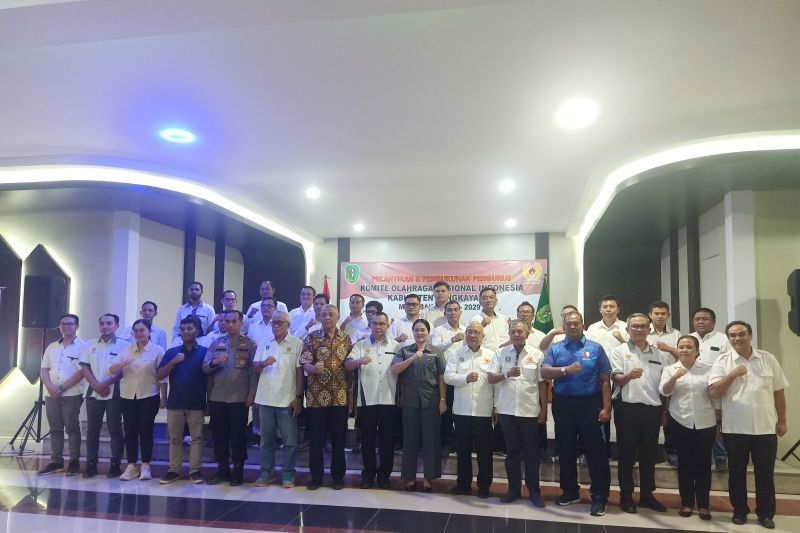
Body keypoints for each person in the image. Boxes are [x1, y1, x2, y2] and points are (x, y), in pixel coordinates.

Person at [709, 321, 789, 530]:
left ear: (750, 335)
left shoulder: (768, 359)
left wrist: (782, 420)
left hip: (765, 427)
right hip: (735, 428)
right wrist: (732, 374)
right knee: (736, 473)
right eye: (733, 335)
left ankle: (765, 513)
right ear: (729, 338)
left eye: (742, 334)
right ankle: (739, 511)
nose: (737, 338)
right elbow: (714, 392)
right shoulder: (722, 361)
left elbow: (779, 392)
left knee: (765, 474)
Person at [541, 311, 612, 517]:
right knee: (565, 449)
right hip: (563, 404)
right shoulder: (555, 348)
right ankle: (570, 491)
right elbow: (544, 372)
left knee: (596, 451)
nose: (573, 326)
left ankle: (599, 496)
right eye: (569, 324)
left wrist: (607, 407)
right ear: (563, 326)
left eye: (576, 323)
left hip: (590, 404)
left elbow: (605, 380)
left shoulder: (595, 348)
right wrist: (565, 370)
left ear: (583, 325)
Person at [609, 313, 671, 514]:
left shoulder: (660, 355)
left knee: (649, 454)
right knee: (626, 454)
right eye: (634, 326)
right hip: (627, 409)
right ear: (627, 329)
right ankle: (626, 496)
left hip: (652, 410)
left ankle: (647, 495)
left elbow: (664, 387)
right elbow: (617, 379)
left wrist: (664, 410)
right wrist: (629, 376)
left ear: (649, 329)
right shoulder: (619, 351)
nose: (638, 329)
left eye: (643, 326)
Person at [487, 319, 547, 507]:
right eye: (513, 332)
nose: (516, 334)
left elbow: (542, 385)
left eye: (520, 331)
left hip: (529, 411)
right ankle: (513, 489)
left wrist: (544, 410)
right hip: (506, 410)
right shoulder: (500, 353)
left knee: (531, 453)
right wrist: (507, 374)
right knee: (511, 452)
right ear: (509, 334)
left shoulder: (537, 354)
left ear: (527, 333)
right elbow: (490, 378)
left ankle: (534, 491)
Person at [659, 335, 718, 522]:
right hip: (680, 421)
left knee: (703, 465)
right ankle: (686, 502)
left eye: (689, 347)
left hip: (706, 422)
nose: (684, 350)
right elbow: (664, 391)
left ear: (697, 351)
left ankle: (703, 504)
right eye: (681, 347)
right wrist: (675, 377)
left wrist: (720, 421)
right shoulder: (670, 369)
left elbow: (716, 396)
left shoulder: (709, 369)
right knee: (684, 464)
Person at [300, 304, 353, 490]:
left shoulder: (346, 338)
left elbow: (350, 367)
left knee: (339, 440)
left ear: (338, 317)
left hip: (340, 397)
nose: (327, 317)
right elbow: (304, 362)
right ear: (319, 317)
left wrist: (351, 395)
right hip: (316, 398)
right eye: (324, 314)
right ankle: (316, 477)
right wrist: (313, 368)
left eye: (331, 314)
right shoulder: (312, 337)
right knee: (316, 440)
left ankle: (338, 477)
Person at [203, 310, 258, 486]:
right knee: (219, 435)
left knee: (238, 435)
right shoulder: (216, 343)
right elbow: (205, 367)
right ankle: (222, 469)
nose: (230, 325)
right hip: (218, 396)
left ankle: (238, 469)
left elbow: (254, 372)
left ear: (241, 323)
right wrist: (215, 362)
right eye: (227, 321)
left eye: (234, 321)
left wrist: (252, 393)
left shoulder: (249, 344)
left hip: (239, 397)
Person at [345, 311, 399, 489]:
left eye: (382, 324)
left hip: (389, 400)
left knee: (387, 441)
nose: (378, 327)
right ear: (370, 325)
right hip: (367, 401)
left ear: (388, 325)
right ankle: (368, 474)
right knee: (367, 440)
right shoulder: (361, 345)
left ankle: (384, 476)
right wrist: (359, 361)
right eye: (375, 323)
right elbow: (348, 365)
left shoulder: (396, 346)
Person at [391, 319, 446, 492]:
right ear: (412, 332)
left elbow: (441, 377)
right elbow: (395, 369)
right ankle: (410, 477)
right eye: (416, 330)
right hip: (410, 401)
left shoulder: (436, 352)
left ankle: (429, 477)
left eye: (423, 330)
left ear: (428, 332)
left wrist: (443, 400)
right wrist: (414, 357)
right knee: (410, 440)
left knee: (431, 440)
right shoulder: (405, 350)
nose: (419, 333)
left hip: (431, 401)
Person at [252, 310, 304, 488]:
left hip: (287, 400)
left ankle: (288, 475)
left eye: (280, 322)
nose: (276, 325)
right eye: (274, 322)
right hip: (265, 399)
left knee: (289, 442)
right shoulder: (264, 342)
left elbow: (299, 372)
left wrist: (298, 397)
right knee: (266, 441)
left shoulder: (297, 344)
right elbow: (254, 366)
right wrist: (263, 363)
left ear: (288, 325)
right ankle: (266, 474)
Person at [111, 319, 167, 481]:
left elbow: (162, 376)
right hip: (128, 396)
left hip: (149, 395)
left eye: (142, 330)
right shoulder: (127, 350)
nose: (139, 333)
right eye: (136, 331)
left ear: (149, 332)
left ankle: (146, 465)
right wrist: (123, 363)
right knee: (130, 431)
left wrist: (164, 396)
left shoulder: (157, 350)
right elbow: (111, 370)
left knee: (146, 430)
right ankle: (131, 466)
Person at [444, 322, 495, 498]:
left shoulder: (491, 355)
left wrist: (496, 406)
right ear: (465, 334)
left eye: (476, 332)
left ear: (483, 336)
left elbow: (496, 383)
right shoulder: (456, 354)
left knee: (484, 451)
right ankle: (463, 484)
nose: (472, 335)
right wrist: (464, 378)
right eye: (469, 332)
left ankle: (484, 486)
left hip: (484, 410)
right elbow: (448, 377)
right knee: (463, 450)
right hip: (462, 410)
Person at [157, 317, 208, 484]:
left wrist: (210, 401)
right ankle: (174, 470)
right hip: (175, 402)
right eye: (183, 329)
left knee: (197, 438)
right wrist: (173, 362)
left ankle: (195, 470)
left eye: (189, 328)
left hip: (197, 402)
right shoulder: (172, 352)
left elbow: (210, 377)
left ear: (197, 331)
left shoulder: (205, 352)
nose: (186, 332)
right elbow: (160, 375)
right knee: (175, 438)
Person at [79, 313, 128, 478]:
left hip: (115, 392)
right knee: (92, 429)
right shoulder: (89, 344)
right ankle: (91, 464)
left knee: (115, 429)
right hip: (93, 392)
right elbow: (84, 367)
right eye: (102, 323)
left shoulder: (125, 345)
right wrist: (96, 385)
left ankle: (115, 464)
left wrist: (106, 384)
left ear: (116, 325)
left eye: (109, 323)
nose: (105, 326)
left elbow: (124, 370)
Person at [38, 314, 86, 476]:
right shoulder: (52, 347)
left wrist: (61, 388)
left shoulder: (83, 347)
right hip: (51, 394)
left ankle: (74, 462)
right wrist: (50, 387)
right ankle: (56, 461)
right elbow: (44, 370)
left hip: (72, 393)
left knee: (72, 428)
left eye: (70, 324)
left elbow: (82, 372)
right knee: (55, 428)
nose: (66, 326)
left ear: (77, 326)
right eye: (63, 324)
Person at [691, 307, 731, 472]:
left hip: (717, 387)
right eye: (697, 319)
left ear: (714, 322)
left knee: (718, 420)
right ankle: (700, 456)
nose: (700, 322)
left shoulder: (724, 340)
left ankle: (720, 456)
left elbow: (730, 363)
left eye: (705, 319)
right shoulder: (689, 338)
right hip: (694, 387)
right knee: (699, 421)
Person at [648, 300, 681, 468]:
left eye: (663, 313)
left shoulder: (676, 334)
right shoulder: (644, 332)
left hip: (670, 380)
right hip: (650, 380)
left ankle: (672, 453)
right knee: (651, 417)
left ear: (668, 315)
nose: (660, 316)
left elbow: (684, 355)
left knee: (670, 417)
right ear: (650, 315)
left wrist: (669, 348)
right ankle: (650, 453)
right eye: (656, 313)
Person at [431, 300, 465, 455]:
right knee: (446, 411)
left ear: (460, 312)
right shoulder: (439, 330)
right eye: (449, 310)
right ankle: (445, 442)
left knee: (462, 411)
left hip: (463, 377)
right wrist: (452, 339)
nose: (453, 312)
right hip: (445, 376)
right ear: (445, 313)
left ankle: (460, 442)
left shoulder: (466, 329)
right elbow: (434, 348)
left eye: (455, 309)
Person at [171, 281, 215, 345]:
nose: (194, 291)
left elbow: (212, 329)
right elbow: (177, 327)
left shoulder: (209, 309)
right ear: (188, 292)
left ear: (201, 292)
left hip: (203, 342)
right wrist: (175, 341)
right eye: (191, 289)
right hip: (184, 342)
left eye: (197, 289)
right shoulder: (182, 309)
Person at [470, 287, 509, 352]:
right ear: (480, 302)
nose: (488, 300)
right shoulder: (475, 320)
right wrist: (481, 326)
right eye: (485, 298)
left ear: (496, 301)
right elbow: (471, 341)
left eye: (491, 297)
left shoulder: (503, 318)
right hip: (485, 356)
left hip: (504, 355)